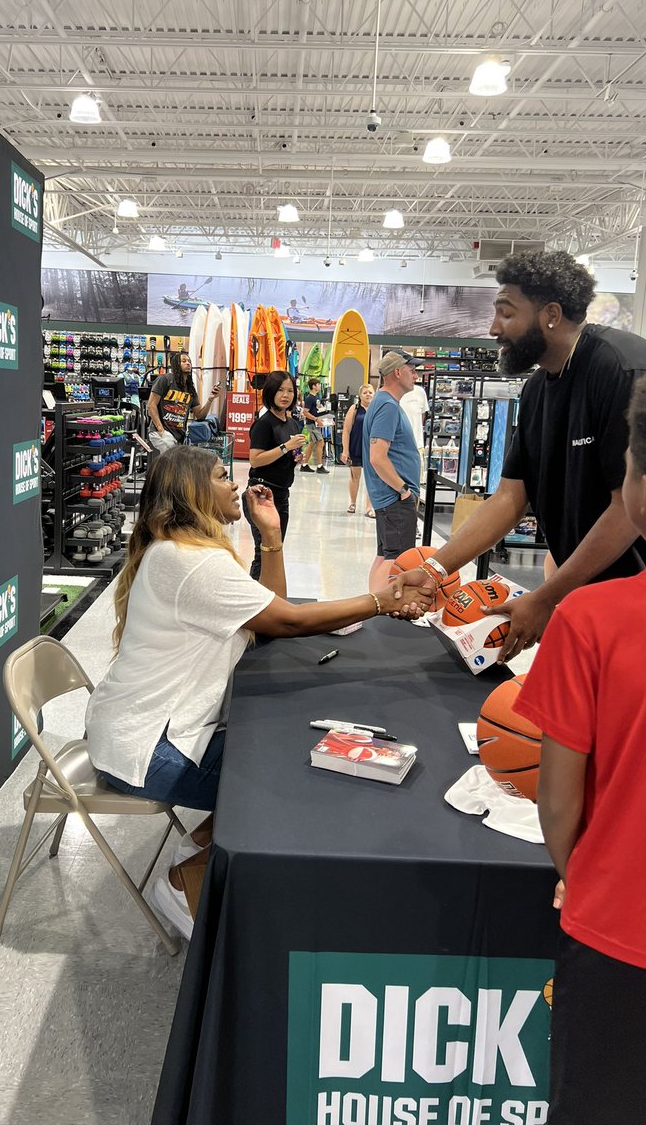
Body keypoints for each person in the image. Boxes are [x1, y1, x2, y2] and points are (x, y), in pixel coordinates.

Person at [84, 446, 432, 939]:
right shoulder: (189, 562)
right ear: (193, 491)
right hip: (148, 751)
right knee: (295, 770)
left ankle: (202, 843)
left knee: (278, 745)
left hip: (138, 731)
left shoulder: (181, 552)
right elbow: (286, 621)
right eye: (224, 476)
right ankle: (186, 881)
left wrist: (270, 536)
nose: (235, 484)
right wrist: (380, 600)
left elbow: (271, 613)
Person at [515, 361, 646, 1125]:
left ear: (644, 494)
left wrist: (583, 872)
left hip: (624, 936)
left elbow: (557, 797)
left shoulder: (591, 620)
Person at [406, 251, 646, 661]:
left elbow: (627, 510)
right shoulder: (536, 390)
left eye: (506, 314)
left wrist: (546, 598)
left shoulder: (625, 371)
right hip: (588, 602)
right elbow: (510, 498)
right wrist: (435, 570)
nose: (494, 328)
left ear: (550, 314)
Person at [363, 349, 425, 592]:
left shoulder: (383, 402)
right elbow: (377, 457)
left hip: (389, 497)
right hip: (394, 497)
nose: (416, 375)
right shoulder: (387, 405)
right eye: (412, 370)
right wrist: (404, 491)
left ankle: (372, 606)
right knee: (396, 558)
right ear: (398, 372)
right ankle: (378, 609)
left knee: (385, 554)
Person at [243, 370, 308, 579]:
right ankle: (257, 602)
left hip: (282, 494)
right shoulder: (264, 423)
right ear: (270, 392)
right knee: (263, 552)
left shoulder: (291, 423)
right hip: (261, 492)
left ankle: (271, 598)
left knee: (275, 551)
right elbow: (255, 459)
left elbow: (285, 455)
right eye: (280, 390)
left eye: (290, 390)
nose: (285, 395)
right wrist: (285, 447)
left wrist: (296, 457)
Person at [147, 350, 220, 452]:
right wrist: (161, 430)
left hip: (179, 435)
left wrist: (210, 399)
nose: (188, 363)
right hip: (160, 432)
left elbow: (200, 415)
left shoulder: (190, 388)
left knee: (175, 464)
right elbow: (151, 405)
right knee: (172, 460)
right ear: (176, 364)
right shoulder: (165, 380)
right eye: (184, 361)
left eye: (189, 361)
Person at [341, 384, 374, 515]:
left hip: (372, 449)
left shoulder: (376, 409)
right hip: (356, 447)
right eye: (365, 392)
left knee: (371, 479)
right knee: (355, 477)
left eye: (370, 392)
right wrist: (345, 450)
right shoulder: (354, 409)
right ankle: (353, 503)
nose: (368, 394)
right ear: (360, 395)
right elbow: (346, 430)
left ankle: (369, 507)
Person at [398, 378, 429, 475]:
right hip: (399, 446)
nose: (415, 376)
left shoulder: (420, 391)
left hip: (417, 445)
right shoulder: (396, 392)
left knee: (416, 481)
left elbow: (423, 415)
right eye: (411, 371)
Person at [300, 377, 329, 473]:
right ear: (313, 386)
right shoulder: (309, 398)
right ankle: (320, 466)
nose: (320, 386)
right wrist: (316, 419)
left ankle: (304, 464)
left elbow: (316, 409)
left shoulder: (317, 397)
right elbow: (305, 412)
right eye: (318, 384)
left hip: (316, 423)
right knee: (321, 442)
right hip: (311, 424)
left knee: (311, 444)